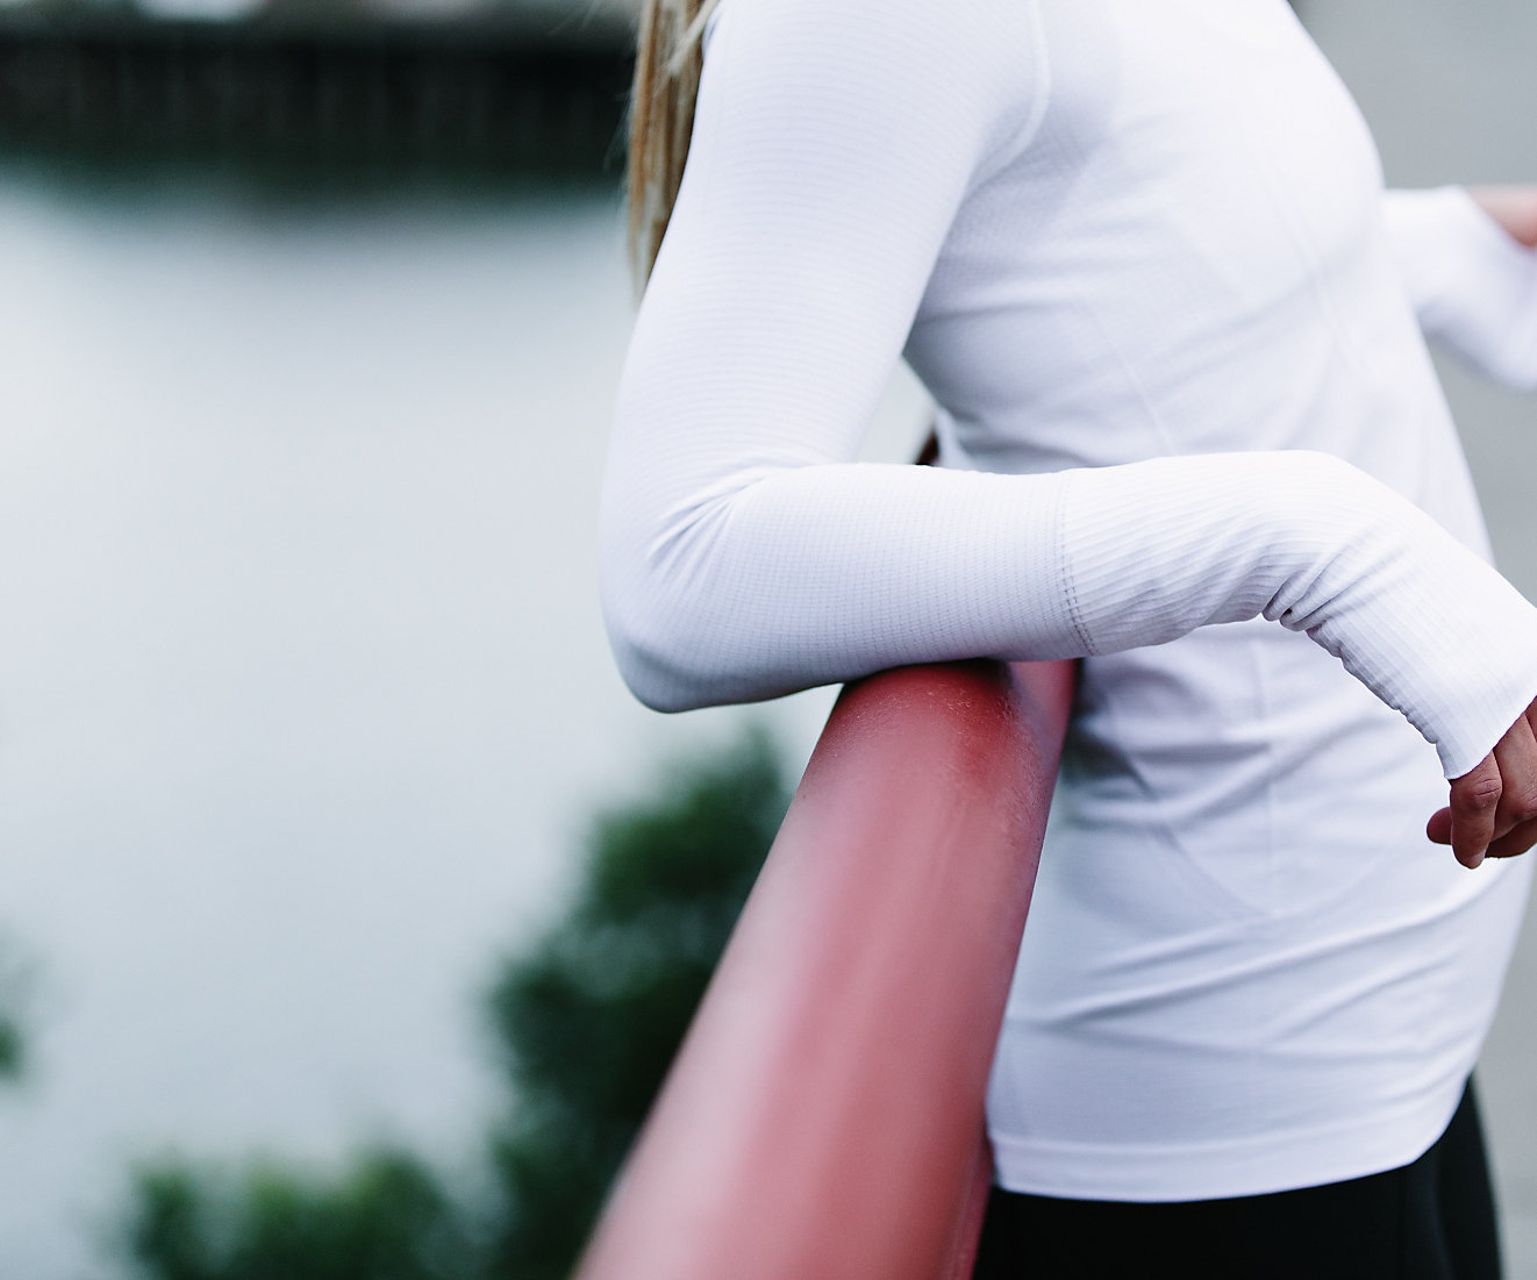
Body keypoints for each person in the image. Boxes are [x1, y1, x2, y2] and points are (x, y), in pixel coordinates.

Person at [596, 0, 1537, 1275]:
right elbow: (686, 565)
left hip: (1398, 1039)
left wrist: (1426, 252)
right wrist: (1308, 534)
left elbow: (1106, 222)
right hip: (1231, 1117)